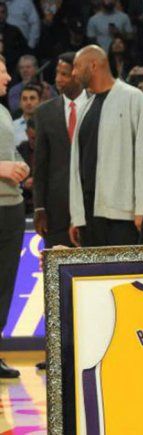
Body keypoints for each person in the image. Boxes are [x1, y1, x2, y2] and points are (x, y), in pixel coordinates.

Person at [68, 45, 143, 247]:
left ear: (93, 65)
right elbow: (78, 166)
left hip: (124, 215)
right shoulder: (86, 106)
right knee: (95, 278)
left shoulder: (134, 99)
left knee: (124, 277)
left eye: (76, 66)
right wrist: (77, 216)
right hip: (90, 215)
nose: (73, 73)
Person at [33, 51, 86, 248]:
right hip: (56, 209)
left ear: (78, 74)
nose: (58, 79)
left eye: (64, 74)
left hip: (92, 205)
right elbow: (40, 164)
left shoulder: (98, 106)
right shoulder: (44, 112)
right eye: (57, 73)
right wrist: (39, 207)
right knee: (56, 271)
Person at [0, 54, 25, 379]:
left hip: (12, 207)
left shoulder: (4, 111)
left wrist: (21, 165)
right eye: (3, 70)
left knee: (4, 283)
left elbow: (11, 154)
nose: (8, 78)